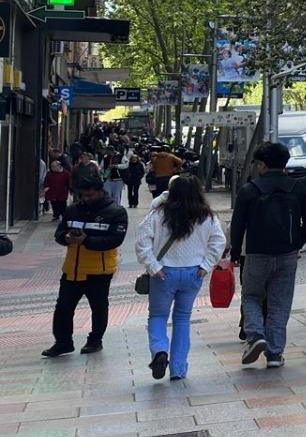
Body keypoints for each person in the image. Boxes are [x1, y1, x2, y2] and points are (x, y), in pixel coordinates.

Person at [231, 142, 306, 371]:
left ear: (263, 165)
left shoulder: (249, 190)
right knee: (280, 302)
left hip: (256, 253)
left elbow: (238, 225)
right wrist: (296, 245)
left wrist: (236, 253)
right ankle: (275, 353)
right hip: (287, 254)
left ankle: (255, 336)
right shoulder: (297, 188)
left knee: (251, 296)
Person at [134, 174, 225, 382]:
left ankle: (159, 350)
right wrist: (206, 265)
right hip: (194, 272)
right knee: (182, 319)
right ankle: (178, 369)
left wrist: (153, 266)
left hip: (164, 273)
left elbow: (142, 241)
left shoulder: (158, 214)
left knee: (158, 316)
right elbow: (218, 241)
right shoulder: (207, 216)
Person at [43, 167, 127, 358]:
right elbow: (59, 232)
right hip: (72, 269)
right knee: (63, 307)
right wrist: (65, 238)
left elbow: (115, 240)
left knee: (98, 307)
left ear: (100, 191)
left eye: (90, 195)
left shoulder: (116, 212)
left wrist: (86, 241)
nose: (86, 199)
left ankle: (95, 340)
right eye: (83, 195)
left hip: (99, 271)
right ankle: (63, 342)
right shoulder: (73, 210)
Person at [41, 156, 70, 220]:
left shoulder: (66, 173)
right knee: (54, 204)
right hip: (53, 192)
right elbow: (46, 181)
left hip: (62, 192)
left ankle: (64, 216)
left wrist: (70, 189)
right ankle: (56, 215)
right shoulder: (49, 173)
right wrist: (46, 187)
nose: (52, 168)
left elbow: (69, 182)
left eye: (54, 166)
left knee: (62, 204)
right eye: (52, 166)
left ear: (59, 166)